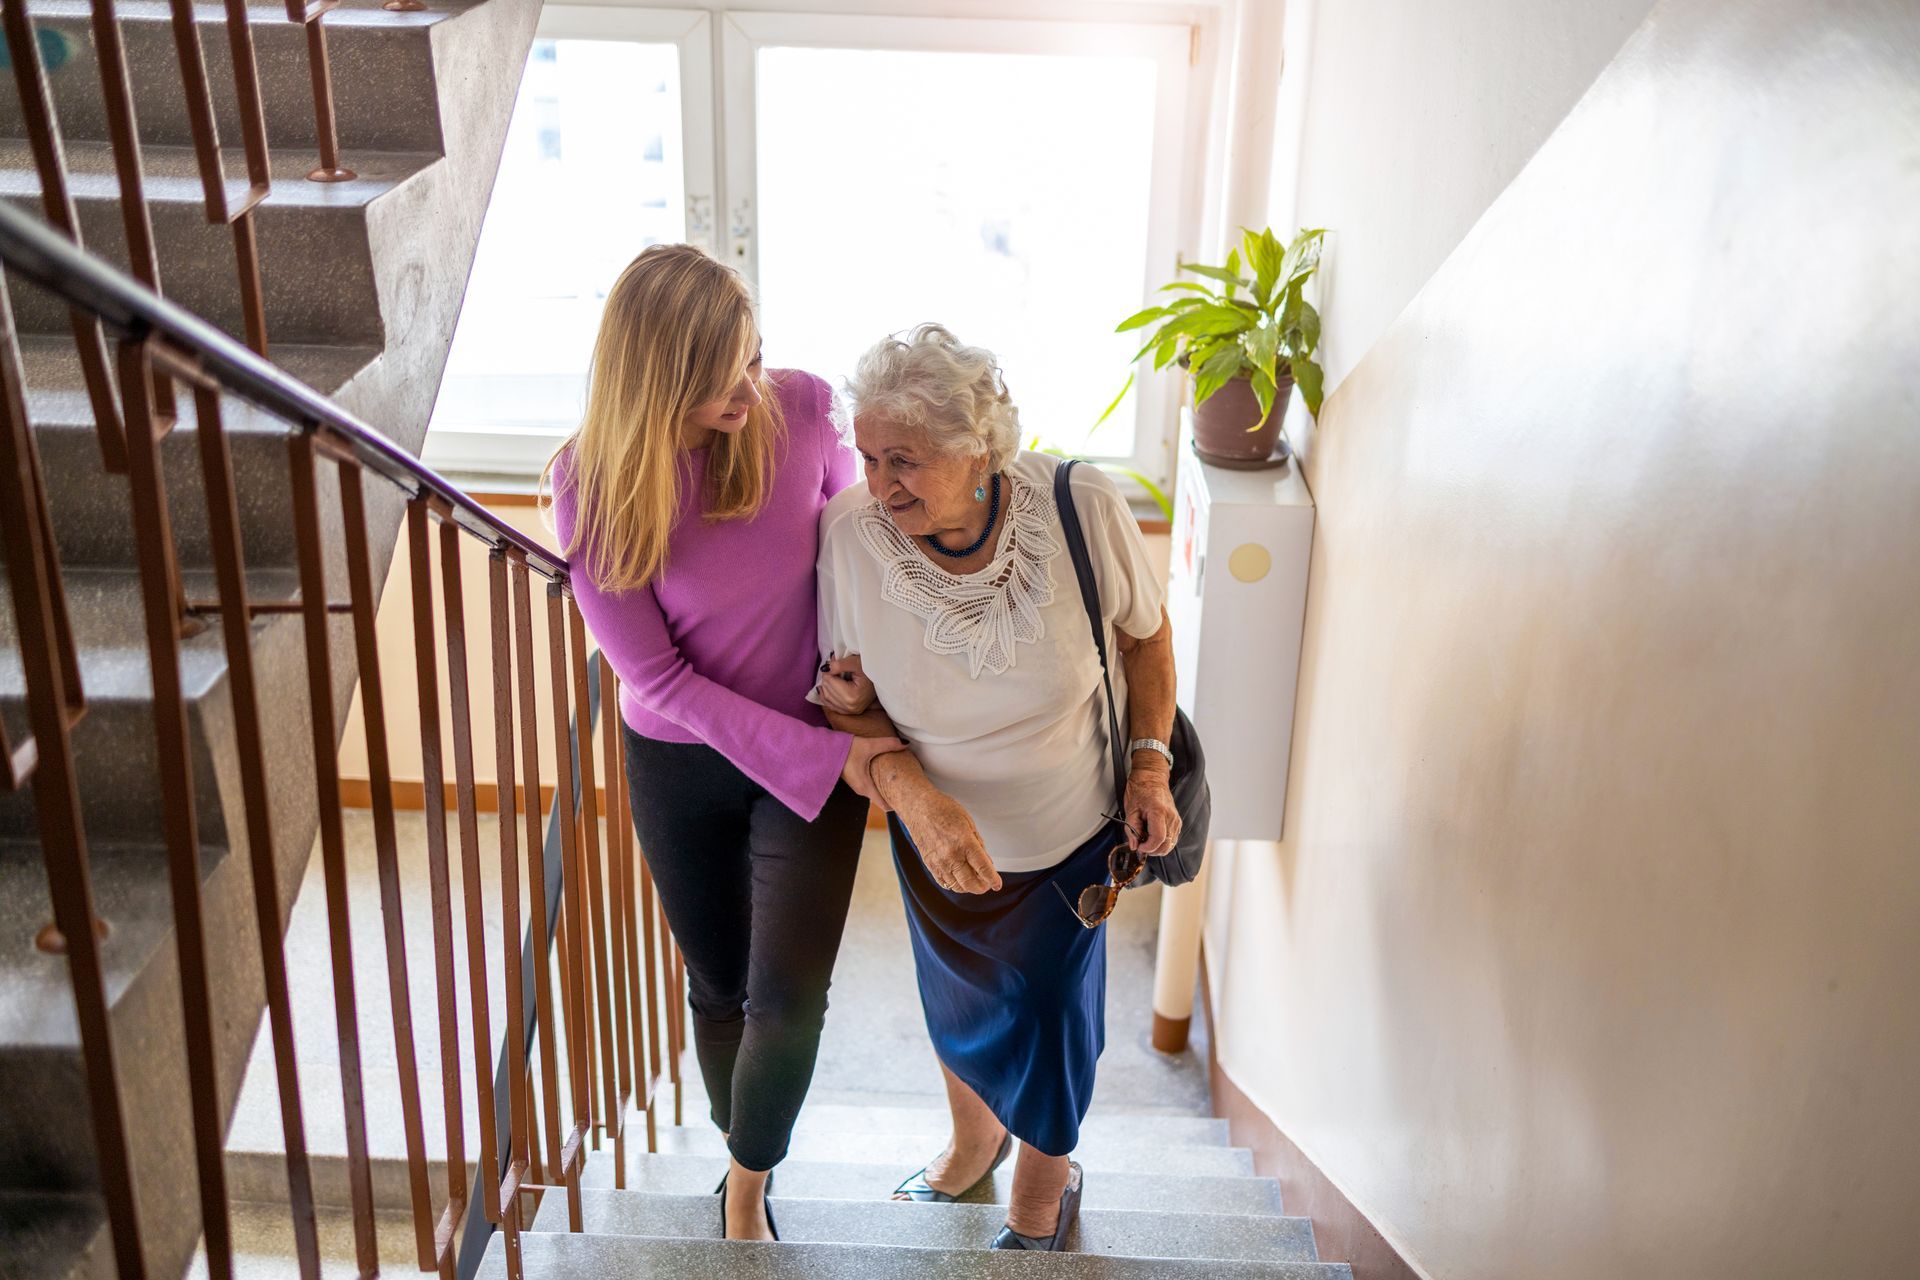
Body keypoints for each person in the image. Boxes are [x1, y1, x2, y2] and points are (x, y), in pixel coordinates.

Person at [546, 244, 903, 1241]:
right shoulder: (591, 485)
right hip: (681, 761)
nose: (753, 386)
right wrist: (831, 760)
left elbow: (857, 539)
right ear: (658, 378)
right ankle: (740, 1136)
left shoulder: (801, 407)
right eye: (724, 376)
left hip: (811, 742)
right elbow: (657, 677)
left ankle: (747, 1185)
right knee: (719, 986)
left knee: (789, 996)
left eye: (755, 356)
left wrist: (857, 668)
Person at [811, 324, 1182, 1251]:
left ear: (980, 449)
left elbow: (1146, 639)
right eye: (867, 456)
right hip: (936, 838)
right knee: (961, 1003)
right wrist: (912, 794)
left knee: (1053, 1017)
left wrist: (1148, 762)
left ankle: (1040, 1193)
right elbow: (846, 703)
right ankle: (973, 1142)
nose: (880, 481)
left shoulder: (1078, 503)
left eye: (907, 458)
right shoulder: (850, 537)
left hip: (1073, 839)